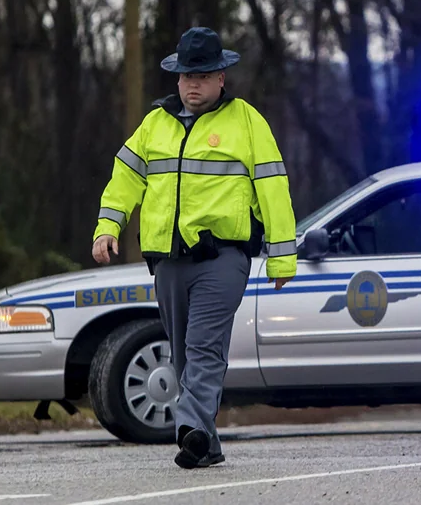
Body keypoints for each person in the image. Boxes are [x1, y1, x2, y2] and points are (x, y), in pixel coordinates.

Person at [90, 27, 297, 469]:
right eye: (186, 76)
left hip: (223, 257)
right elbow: (125, 178)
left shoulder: (246, 121)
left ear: (221, 77)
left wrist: (282, 256)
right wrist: (108, 226)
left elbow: (273, 188)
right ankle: (208, 444)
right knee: (183, 353)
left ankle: (189, 430)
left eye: (202, 76)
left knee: (203, 347)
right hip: (168, 261)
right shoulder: (154, 124)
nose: (193, 84)